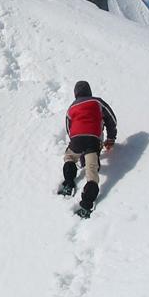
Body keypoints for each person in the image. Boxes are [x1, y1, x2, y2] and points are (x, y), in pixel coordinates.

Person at [58, 80, 117, 218]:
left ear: (75, 94)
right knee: (91, 171)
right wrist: (110, 139)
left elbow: (69, 128)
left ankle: (68, 183)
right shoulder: (97, 102)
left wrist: (75, 142)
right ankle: (86, 205)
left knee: (70, 157)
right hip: (93, 139)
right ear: (89, 91)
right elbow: (111, 120)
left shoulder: (71, 108)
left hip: (77, 139)